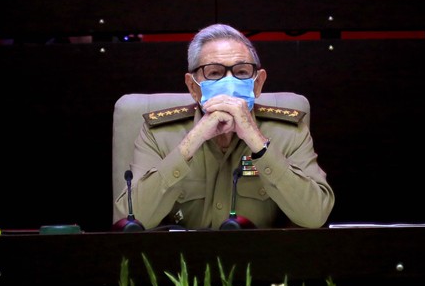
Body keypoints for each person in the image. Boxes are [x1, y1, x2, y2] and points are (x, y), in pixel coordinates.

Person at [115, 23, 335, 230]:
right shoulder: (158, 134)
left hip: (260, 265)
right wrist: (193, 141)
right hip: (181, 265)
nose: (229, 82)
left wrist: (257, 141)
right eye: (215, 73)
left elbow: (314, 216)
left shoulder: (288, 132)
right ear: (193, 87)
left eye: (241, 72)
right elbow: (131, 220)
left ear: (258, 83)